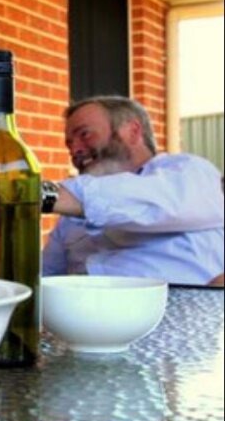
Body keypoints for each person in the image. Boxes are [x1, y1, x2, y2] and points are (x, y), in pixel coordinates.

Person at [42, 95, 224, 286]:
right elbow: (44, 278)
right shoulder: (69, 219)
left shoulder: (189, 171)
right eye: (69, 144)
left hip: (178, 302)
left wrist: (43, 195)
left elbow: (159, 200)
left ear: (132, 131)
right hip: (83, 303)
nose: (75, 150)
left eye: (85, 134)